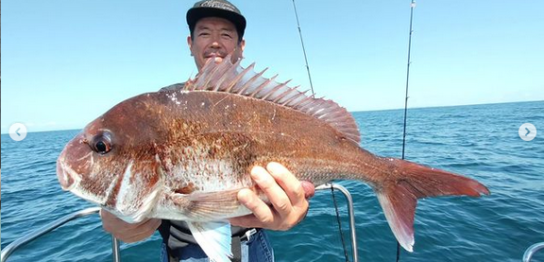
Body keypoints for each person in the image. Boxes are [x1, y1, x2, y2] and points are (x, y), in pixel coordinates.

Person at [99, 1, 316, 261]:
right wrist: (115, 217)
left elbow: (300, 180)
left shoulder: (268, 109)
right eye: (204, 33)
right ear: (190, 43)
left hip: (254, 244)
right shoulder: (161, 108)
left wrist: (295, 213)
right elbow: (131, 175)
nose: (215, 42)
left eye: (225, 34)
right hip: (182, 252)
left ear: (241, 47)